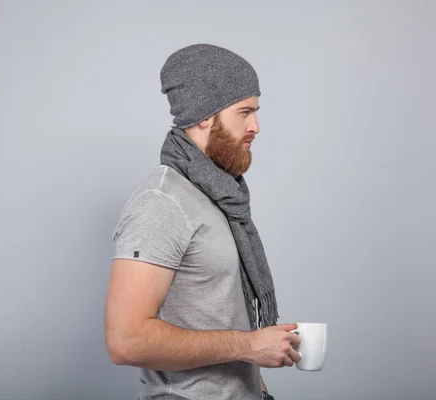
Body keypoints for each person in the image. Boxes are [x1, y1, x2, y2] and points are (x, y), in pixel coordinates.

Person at [104, 44, 301, 400]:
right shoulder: (162, 202)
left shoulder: (220, 194)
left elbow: (215, 310)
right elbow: (125, 340)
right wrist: (247, 346)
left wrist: (255, 382)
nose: (256, 126)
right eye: (244, 112)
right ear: (203, 116)